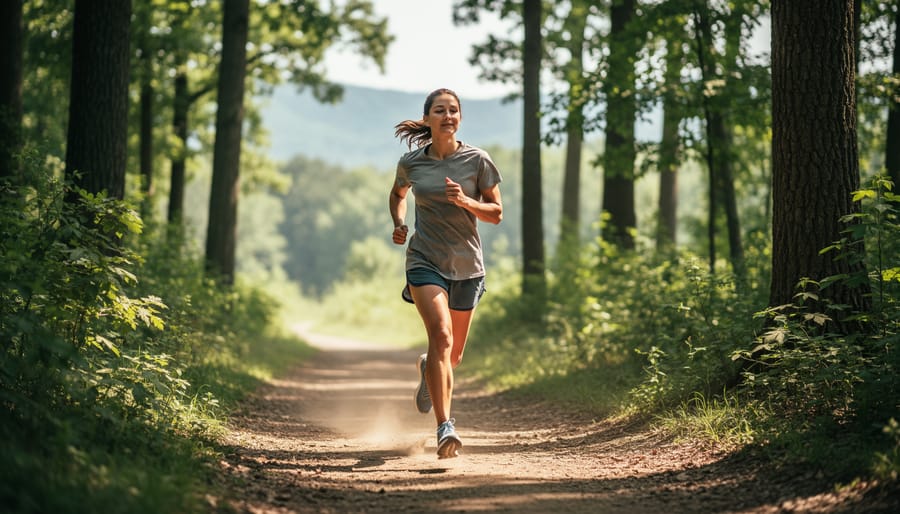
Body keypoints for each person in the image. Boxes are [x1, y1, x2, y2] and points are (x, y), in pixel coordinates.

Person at [388, 88, 503, 459]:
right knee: (440, 335)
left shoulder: (478, 160)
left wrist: (466, 201)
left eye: (454, 110)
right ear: (427, 119)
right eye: (440, 110)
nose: (448, 115)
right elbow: (397, 194)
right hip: (424, 260)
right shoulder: (412, 163)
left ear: (460, 118)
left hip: (467, 266)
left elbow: (496, 213)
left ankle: (427, 370)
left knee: (450, 356)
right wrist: (399, 222)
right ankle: (445, 426)